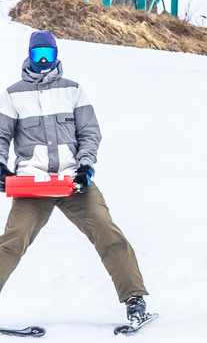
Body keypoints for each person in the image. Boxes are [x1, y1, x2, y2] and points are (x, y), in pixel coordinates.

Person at [0, 31, 150, 323]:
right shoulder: (13, 95)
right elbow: (1, 137)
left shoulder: (73, 90)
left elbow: (90, 133)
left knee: (107, 231)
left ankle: (134, 298)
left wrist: (85, 167)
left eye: (48, 54)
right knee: (13, 240)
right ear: (29, 56)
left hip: (73, 183)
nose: (43, 61)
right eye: (37, 55)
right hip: (33, 184)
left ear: (57, 55)